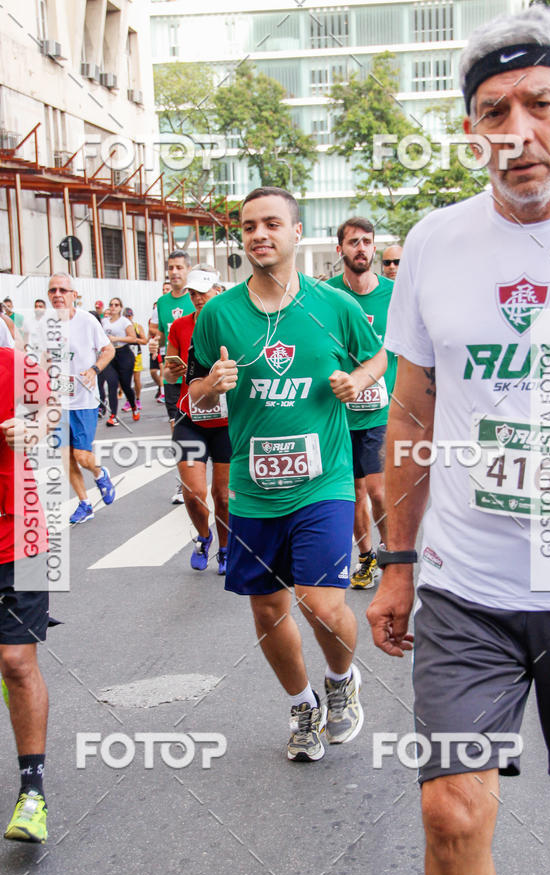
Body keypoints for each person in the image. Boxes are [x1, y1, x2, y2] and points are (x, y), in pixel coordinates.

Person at [367, 6, 550, 875]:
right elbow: (413, 413)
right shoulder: (434, 241)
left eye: (540, 103)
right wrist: (396, 563)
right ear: (473, 134)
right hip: (470, 589)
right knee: (450, 811)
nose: (518, 133)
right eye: (494, 113)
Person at [188, 186, 387, 762]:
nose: (258, 235)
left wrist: (363, 380)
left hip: (323, 482)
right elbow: (192, 394)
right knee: (268, 609)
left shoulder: (335, 307)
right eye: (248, 226)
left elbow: (380, 356)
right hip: (253, 490)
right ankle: (303, 706)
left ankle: (342, 681)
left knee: (322, 605)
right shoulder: (219, 314)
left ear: (297, 233)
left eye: (272, 223)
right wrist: (209, 387)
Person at [328, 218, 397, 589]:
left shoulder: (393, 295)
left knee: (378, 490)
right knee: (354, 493)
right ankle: (367, 556)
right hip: (340, 411)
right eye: (353, 242)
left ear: (374, 247)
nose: (361, 248)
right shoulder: (328, 297)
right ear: (340, 249)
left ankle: (389, 552)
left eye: (367, 242)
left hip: (382, 410)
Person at [0, 347, 51, 843]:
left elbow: (50, 410)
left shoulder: (13, 363)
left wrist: (31, 429)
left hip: (20, 536)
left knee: (17, 662)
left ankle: (31, 793)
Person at [164, 267, 230, 574]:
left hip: (228, 426)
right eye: (192, 293)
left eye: (204, 291)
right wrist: (171, 372)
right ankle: (204, 537)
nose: (198, 298)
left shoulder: (234, 322)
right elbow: (167, 369)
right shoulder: (179, 326)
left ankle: (227, 549)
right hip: (190, 419)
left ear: (219, 291)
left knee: (224, 497)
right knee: (193, 492)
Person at [47, 273, 116, 524]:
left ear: (73, 295)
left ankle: (99, 473)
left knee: (81, 455)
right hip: (57, 402)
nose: (57, 294)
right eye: (53, 290)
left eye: (62, 290)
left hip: (84, 400)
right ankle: (84, 503)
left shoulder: (87, 321)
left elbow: (109, 349)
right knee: (66, 456)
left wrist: (94, 369)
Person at [149, 254, 195, 503]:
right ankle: (183, 483)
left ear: (189, 269)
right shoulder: (162, 302)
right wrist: (154, 342)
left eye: (179, 267)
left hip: (200, 378)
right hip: (174, 378)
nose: (174, 272)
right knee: (177, 430)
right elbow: (156, 332)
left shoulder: (198, 297)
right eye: (170, 268)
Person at [100, 298, 140, 426]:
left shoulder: (124, 321)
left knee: (125, 385)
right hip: (110, 354)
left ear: (121, 307)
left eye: (116, 305)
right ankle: (113, 416)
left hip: (124, 354)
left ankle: (134, 406)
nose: (113, 307)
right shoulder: (104, 321)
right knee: (112, 383)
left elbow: (133, 338)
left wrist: (116, 338)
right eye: (111, 305)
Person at [122, 307, 148, 412]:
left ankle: (137, 399)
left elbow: (145, 341)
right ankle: (129, 400)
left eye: (130, 315)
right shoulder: (122, 327)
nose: (128, 318)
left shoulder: (137, 327)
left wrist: (134, 339)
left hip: (136, 355)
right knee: (126, 380)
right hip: (126, 355)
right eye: (126, 316)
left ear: (132, 316)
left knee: (137, 379)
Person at [148, 300, 164, 403]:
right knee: (153, 371)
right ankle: (161, 388)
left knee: (163, 370)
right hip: (157, 348)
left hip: (164, 348)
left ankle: (163, 392)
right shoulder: (152, 321)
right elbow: (149, 334)